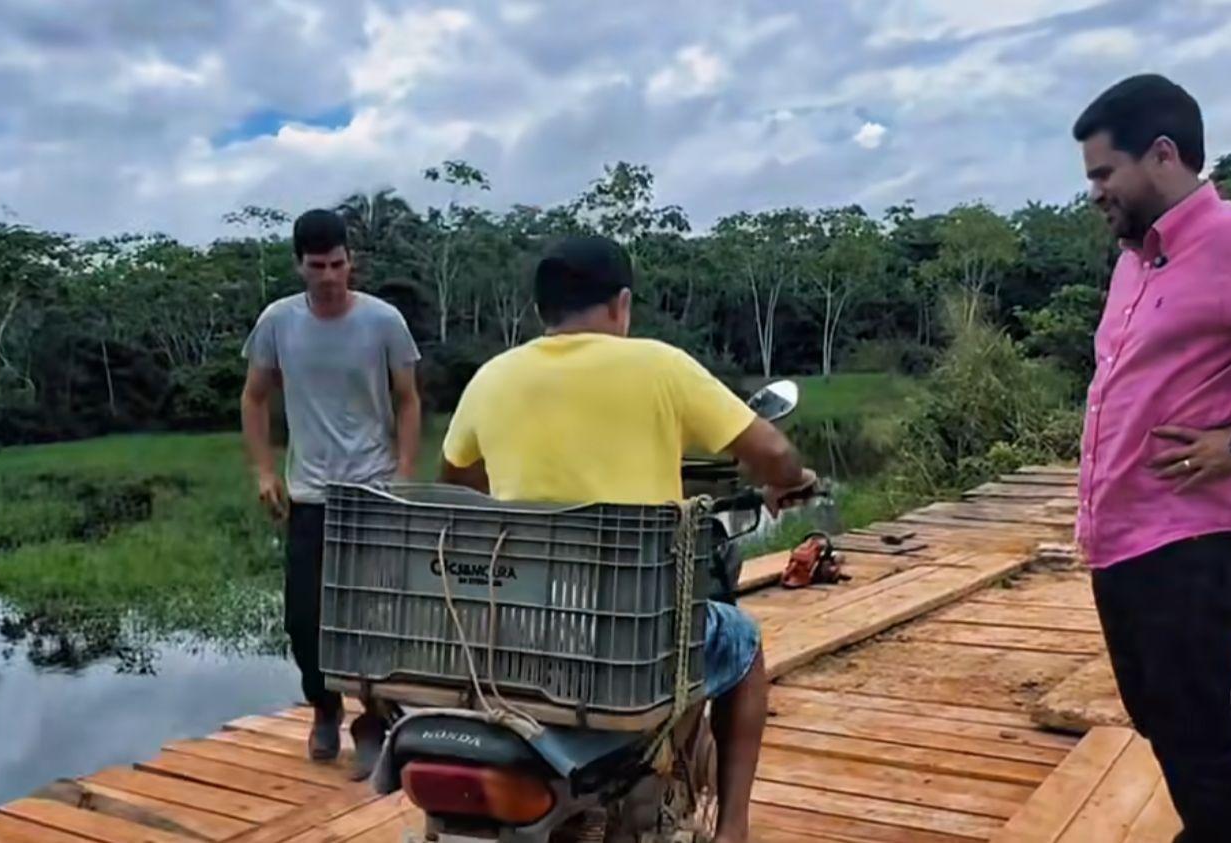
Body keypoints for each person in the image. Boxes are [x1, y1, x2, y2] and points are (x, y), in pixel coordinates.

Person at [439, 234, 815, 843]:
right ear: (621, 305)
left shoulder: (491, 378)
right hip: (631, 638)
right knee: (743, 646)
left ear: (543, 312)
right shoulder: (659, 365)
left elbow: (456, 487)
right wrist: (793, 480)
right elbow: (773, 451)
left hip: (521, 633)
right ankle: (736, 830)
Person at [1072, 73, 1231, 843]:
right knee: (1157, 707)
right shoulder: (1133, 259)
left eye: (1102, 172)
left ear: (1161, 155)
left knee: (1192, 717)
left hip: (1194, 535)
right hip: (1120, 533)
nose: (1093, 192)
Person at [240, 208, 422, 779]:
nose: (327, 276)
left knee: (372, 614)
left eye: (337, 264)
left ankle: (373, 720)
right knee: (303, 617)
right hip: (310, 493)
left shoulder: (383, 321)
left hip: (370, 489)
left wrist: (405, 471)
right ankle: (324, 707)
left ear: (351, 262)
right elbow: (254, 397)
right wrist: (264, 470)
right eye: (316, 265)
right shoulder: (278, 322)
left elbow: (409, 399)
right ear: (299, 265)